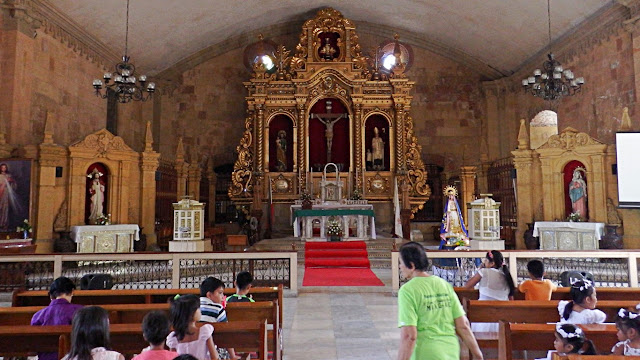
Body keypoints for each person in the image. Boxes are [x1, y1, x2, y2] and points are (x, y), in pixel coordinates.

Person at [397, 242, 483, 360]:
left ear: (411, 266)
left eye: (401, 263)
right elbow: (463, 325)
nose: (400, 267)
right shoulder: (444, 284)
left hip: (425, 352)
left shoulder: (407, 291)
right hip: (450, 350)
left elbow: (409, 335)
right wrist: (478, 354)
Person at [31, 276, 84, 360]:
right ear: (72, 292)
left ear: (51, 296)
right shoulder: (81, 312)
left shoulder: (37, 316)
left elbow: (34, 343)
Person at [464, 250, 516, 332]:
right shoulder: (506, 276)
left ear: (492, 263)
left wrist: (480, 270)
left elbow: (467, 286)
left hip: (484, 316)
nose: (484, 262)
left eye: (486, 260)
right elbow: (511, 298)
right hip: (502, 317)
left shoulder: (484, 272)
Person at [167, 294, 219, 360]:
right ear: (190, 314)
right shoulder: (204, 332)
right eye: (198, 308)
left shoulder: (174, 337)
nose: (200, 311)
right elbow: (214, 357)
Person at [198, 277, 239, 359]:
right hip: (212, 351)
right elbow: (226, 334)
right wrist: (233, 356)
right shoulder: (217, 308)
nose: (222, 296)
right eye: (220, 293)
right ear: (209, 295)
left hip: (192, 349)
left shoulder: (192, 306)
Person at [0, 163, 17, 230]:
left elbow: (14, 185)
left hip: (6, 193)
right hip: (1, 192)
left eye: (4, 167)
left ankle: (4, 223)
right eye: (2, 167)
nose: (3, 169)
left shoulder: (8, 176)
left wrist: (11, 182)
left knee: (5, 208)